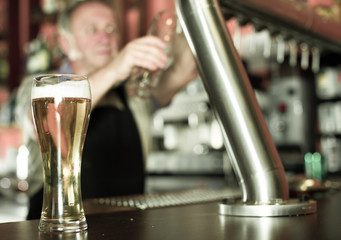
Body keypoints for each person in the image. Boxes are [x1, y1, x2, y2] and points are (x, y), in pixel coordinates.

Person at [15, 0, 197, 220]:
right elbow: (44, 121)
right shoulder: (39, 87)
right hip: (56, 227)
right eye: (92, 29)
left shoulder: (133, 94)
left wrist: (201, 14)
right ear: (65, 43)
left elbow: (185, 69)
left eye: (111, 29)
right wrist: (117, 68)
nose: (105, 37)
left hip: (128, 228)